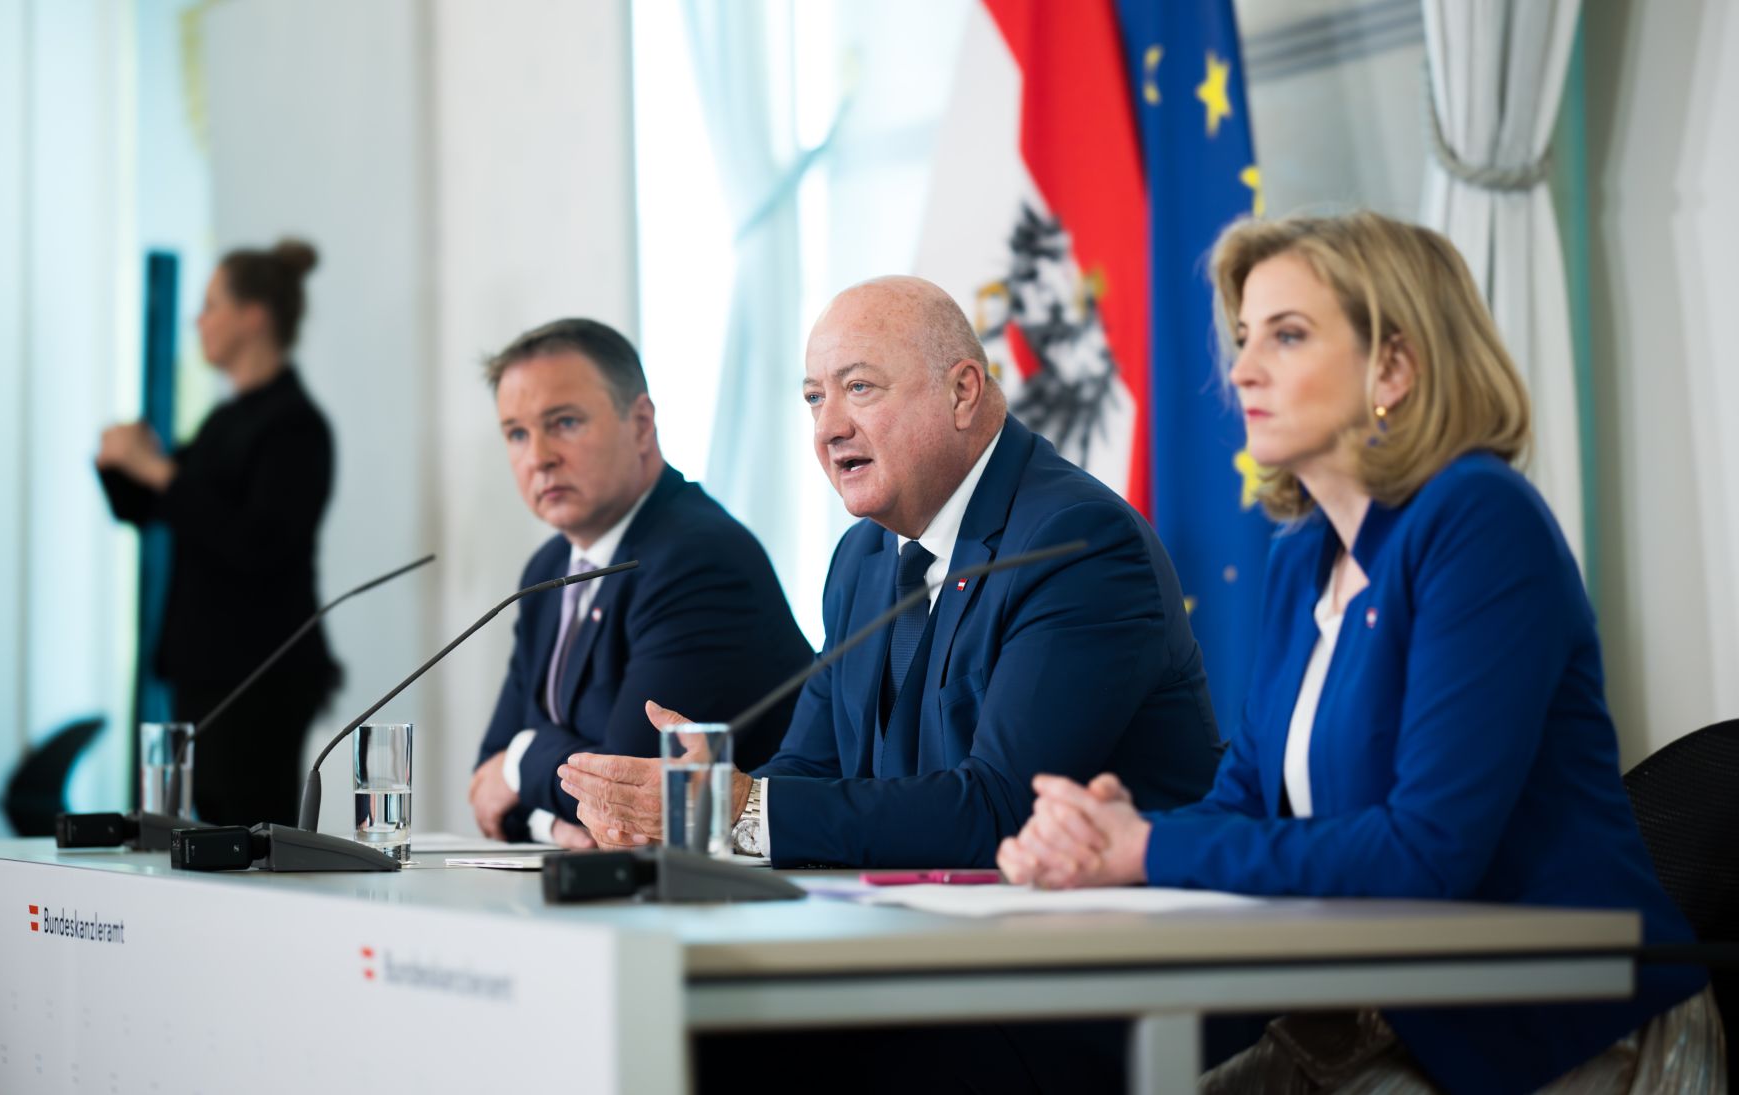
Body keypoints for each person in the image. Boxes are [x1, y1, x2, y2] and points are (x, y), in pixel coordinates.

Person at [998, 212, 1725, 1093]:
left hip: (1564, 1036)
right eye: (1242, 337)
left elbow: (1426, 851)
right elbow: (1244, 801)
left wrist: (1146, 847)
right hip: (1389, 1020)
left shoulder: (1479, 519)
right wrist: (1100, 839)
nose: (1242, 369)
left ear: (1393, 366)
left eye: (1287, 335)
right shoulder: (1303, 553)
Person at [558, 275, 1222, 869]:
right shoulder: (863, 557)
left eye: (858, 388)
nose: (828, 428)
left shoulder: (1075, 542)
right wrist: (700, 812)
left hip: (1100, 949)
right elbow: (811, 767)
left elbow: (1003, 806)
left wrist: (744, 809)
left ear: (963, 392)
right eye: (814, 397)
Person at [469, 318, 811, 848]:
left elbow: (631, 788)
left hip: (727, 884)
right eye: (517, 433)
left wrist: (520, 759)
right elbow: (485, 785)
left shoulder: (699, 556)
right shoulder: (546, 571)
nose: (538, 457)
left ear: (641, 424)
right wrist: (553, 822)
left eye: (564, 422)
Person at [98, 239, 339, 827]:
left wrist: (157, 470)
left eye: (210, 305)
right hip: (204, 667)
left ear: (253, 316)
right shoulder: (224, 420)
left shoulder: (295, 426)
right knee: (197, 835)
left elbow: (256, 542)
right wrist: (119, 461)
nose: (197, 321)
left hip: (260, 674)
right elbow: (151, 507)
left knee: (250, 839)